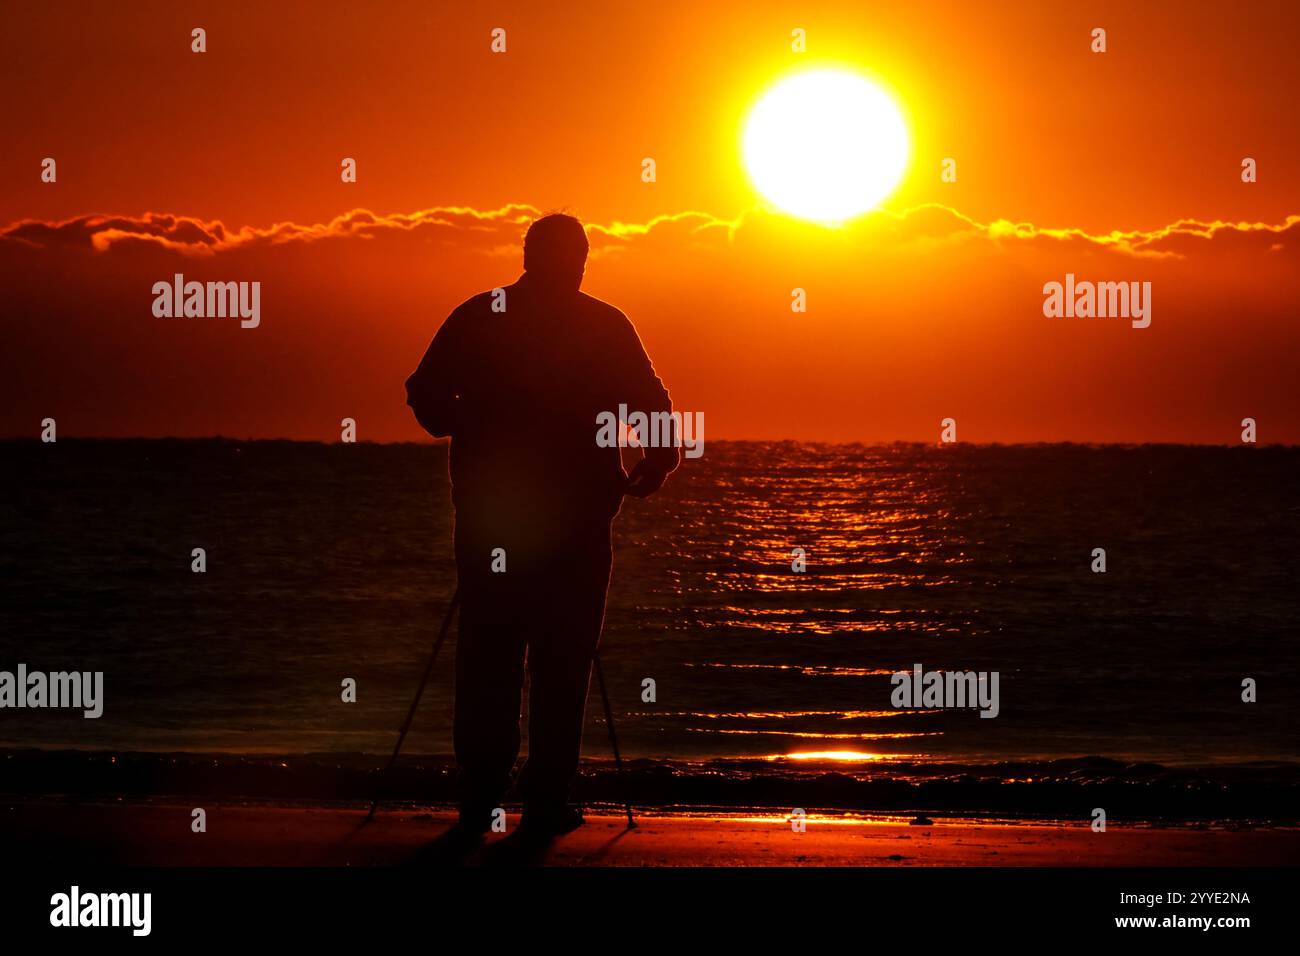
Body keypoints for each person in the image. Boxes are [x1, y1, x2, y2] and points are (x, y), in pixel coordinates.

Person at [405, 213, 680, 838]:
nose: (576, 265)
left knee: (490, 652)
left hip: (493, 518)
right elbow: (654, 408)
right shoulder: (603, 324)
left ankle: (483, 796)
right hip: (575, 521)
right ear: (575, 259)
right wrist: (655, 462)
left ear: (528, 255)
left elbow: (424, 394)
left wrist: (465, 420)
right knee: (562, 657)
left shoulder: (481, 314)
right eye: (576, 255)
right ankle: (545, 798)